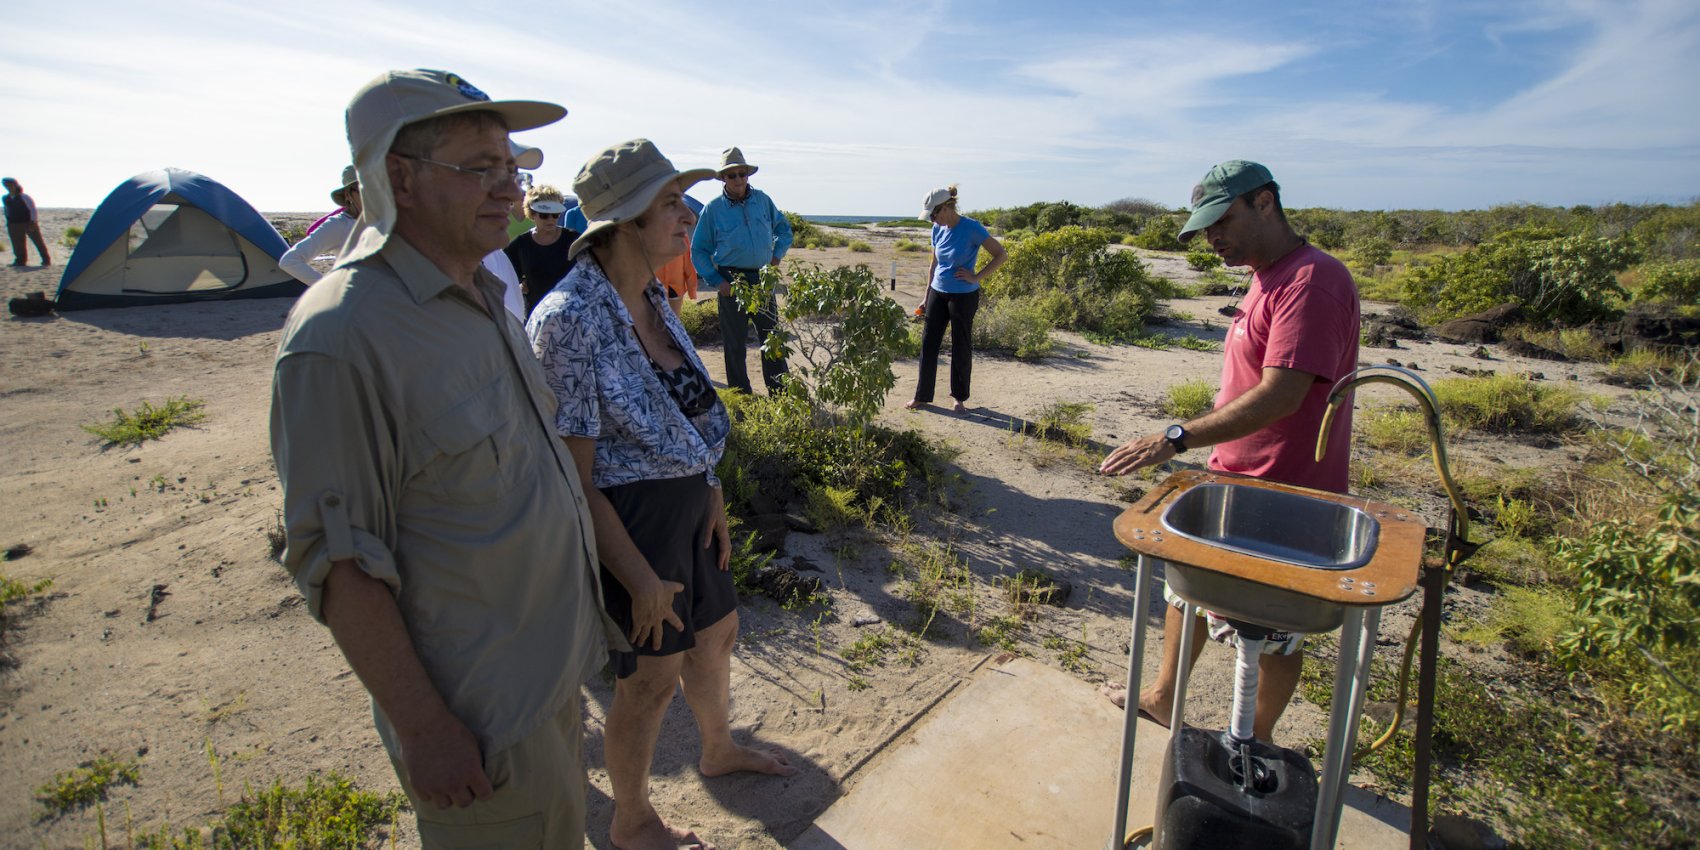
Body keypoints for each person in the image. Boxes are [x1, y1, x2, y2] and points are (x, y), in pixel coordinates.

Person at [269, 68, 622, 848]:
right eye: (479, 168)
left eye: (512, 168)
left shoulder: (477, 294)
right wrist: (425, 726)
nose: (510, 190)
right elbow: (339, 561)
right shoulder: (342, 337)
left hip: (548, 681)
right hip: (481, 714)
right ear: (400, 175)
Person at [529, 138, 797, 850]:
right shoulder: (568, 319)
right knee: (647, 682)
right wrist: (640, 577)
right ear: (622, 222)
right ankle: (632, 819)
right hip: (633, 524)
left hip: (689, 505)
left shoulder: (651, 292)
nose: (687, 217)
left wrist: (710, 490)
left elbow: (685, 410)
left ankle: (718, 747)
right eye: (671, 203)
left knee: (715, 639)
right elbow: (574, 477)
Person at [1098, 160, 1361, 742]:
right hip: (1233, 475)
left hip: (1286, 491)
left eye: (1221, 222)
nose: (1212, 238)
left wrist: (1174, 438)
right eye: (1203, 228)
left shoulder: (1311, 280)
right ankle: (1164, 698)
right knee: (1186, 588)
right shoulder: (1267, 274)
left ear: (1264, 202)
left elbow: (1283, 395)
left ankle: (1255, 739)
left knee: (1272, 625)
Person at [690, 146, 792, 395]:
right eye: (731, 175)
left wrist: (776, 258)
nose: (738, 179)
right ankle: (741, 396)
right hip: (730, 280)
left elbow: (784, 230)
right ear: (723, 178)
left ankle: (780, 394)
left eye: (741, 174)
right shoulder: (713, 209)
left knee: (772, 339)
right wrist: (716, 280)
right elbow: (698, 250)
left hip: (762, 278)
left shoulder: (763, 200)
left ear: (748, 175)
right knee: (734, 344)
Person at [905, 185, 1006, 413]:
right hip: (938, 292)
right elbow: (934, 263)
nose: (932, 219)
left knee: (961, 345)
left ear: (946, 208)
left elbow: (1001, 255)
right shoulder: (937, 229)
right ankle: (921, 396)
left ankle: (959, 399)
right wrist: (926, 295)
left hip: (964, 296)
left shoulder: (972, 228)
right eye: (929, 216)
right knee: (928, 344)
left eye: (933, 214)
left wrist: (976, 276)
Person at [505, 182, 581, 318]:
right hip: (536, 316)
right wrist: (519, 287)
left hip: (573, 315)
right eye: (544, 215)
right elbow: (505, 278)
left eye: (555, 215)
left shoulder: (574, 240)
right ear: (532, 214)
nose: (550, 220)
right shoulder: (520, 245)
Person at [278, 166, 361, 285]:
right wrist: (328, 289)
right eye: (364, 189)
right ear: (348, 195)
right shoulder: (340, 225)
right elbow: (290, 261)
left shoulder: (387, 220)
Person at [4, 177, 51, 267]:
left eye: (10, 185)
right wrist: (8, 221)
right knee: (17, 244)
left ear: (15, 185)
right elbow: (7, 210)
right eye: (6, 185)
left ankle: (46, 260)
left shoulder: (24, 197)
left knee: (38, 242)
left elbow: (32, 209)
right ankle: (20, 261)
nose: (8, 187)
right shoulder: (5, 198)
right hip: (13, 224)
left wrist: (33, 221)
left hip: (28, 223)